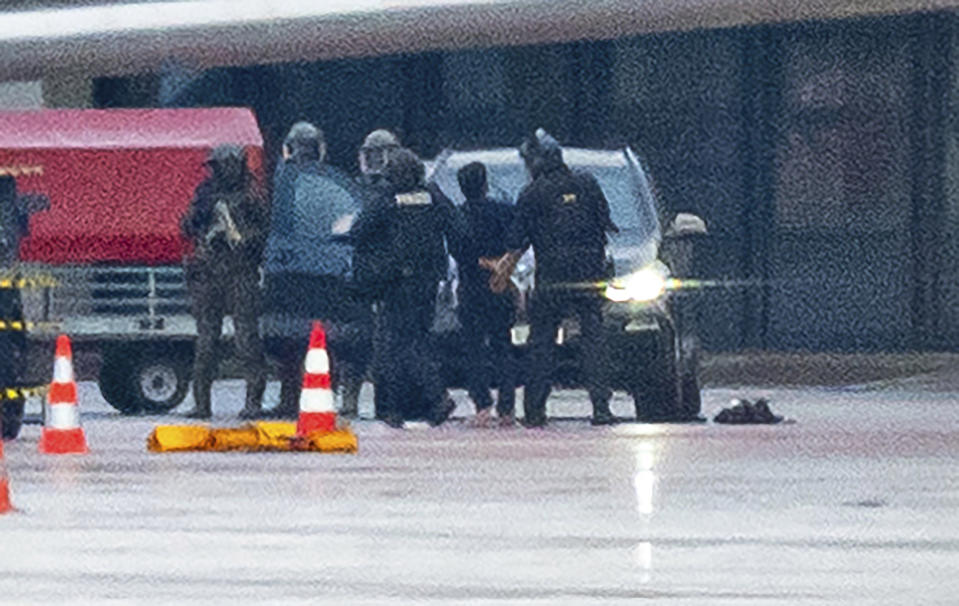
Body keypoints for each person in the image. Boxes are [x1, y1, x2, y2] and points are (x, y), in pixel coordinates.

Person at [487, 129, 620, 427]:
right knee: (594, 339)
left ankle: (535, 411)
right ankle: (601, 407)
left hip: (552, 279)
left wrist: (503, 273)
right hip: (589, 275)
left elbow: (516, 241)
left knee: (542, 342)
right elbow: (607, 224)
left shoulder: (533, 193)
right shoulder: (587, 184)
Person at [350, 148, 464, 428]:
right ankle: (422, 405)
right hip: (429, 282)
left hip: (397, 282)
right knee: (419, 340)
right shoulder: (433, 196)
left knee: (396, 345)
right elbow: (459, 229)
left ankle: (424, 400)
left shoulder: (388, 200)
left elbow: (359, 231)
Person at [261, 121, 368, 419]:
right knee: (322, 337)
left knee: (292, 337)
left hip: (290, 268)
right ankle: (317, 395)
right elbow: (349, 221)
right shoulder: (332, 183)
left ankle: (292, 397)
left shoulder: (285, 181)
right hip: (321, 268)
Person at [180, 144, 268, 419]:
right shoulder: (205, 193)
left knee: (246, 340)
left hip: (241, 272)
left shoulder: (252, 195)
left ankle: (253, 402)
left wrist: (242, 236)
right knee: (206, 341)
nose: (216, 172)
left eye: (220, 166)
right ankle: (202, 403)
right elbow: (187, 227)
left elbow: (265, 234)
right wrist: (201, 218)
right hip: (208, 274)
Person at [448, 162, 517, 427]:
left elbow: (459, 253)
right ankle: (507, 408)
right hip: (500, 286)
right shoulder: (503, 211)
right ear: (485, 184)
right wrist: (501, 267)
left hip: (471, 288)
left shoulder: (457, 216)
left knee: (473, 349)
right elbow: (516, 241)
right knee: (503, 345)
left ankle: (482, 405)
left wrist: (481, 263)